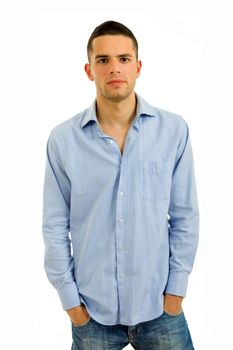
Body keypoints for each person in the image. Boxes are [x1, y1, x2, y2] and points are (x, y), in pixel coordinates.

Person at [42, 20, 199, 350]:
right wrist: (72, 305)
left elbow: (185, 218)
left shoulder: (174, 131)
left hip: (160, 309)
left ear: (138, 66)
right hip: (92, 315)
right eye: (103, 60)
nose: (115, 68)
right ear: (89, 70)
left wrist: (175, 294)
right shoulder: (63, 140)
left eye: (124, 59)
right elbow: (54, 226)